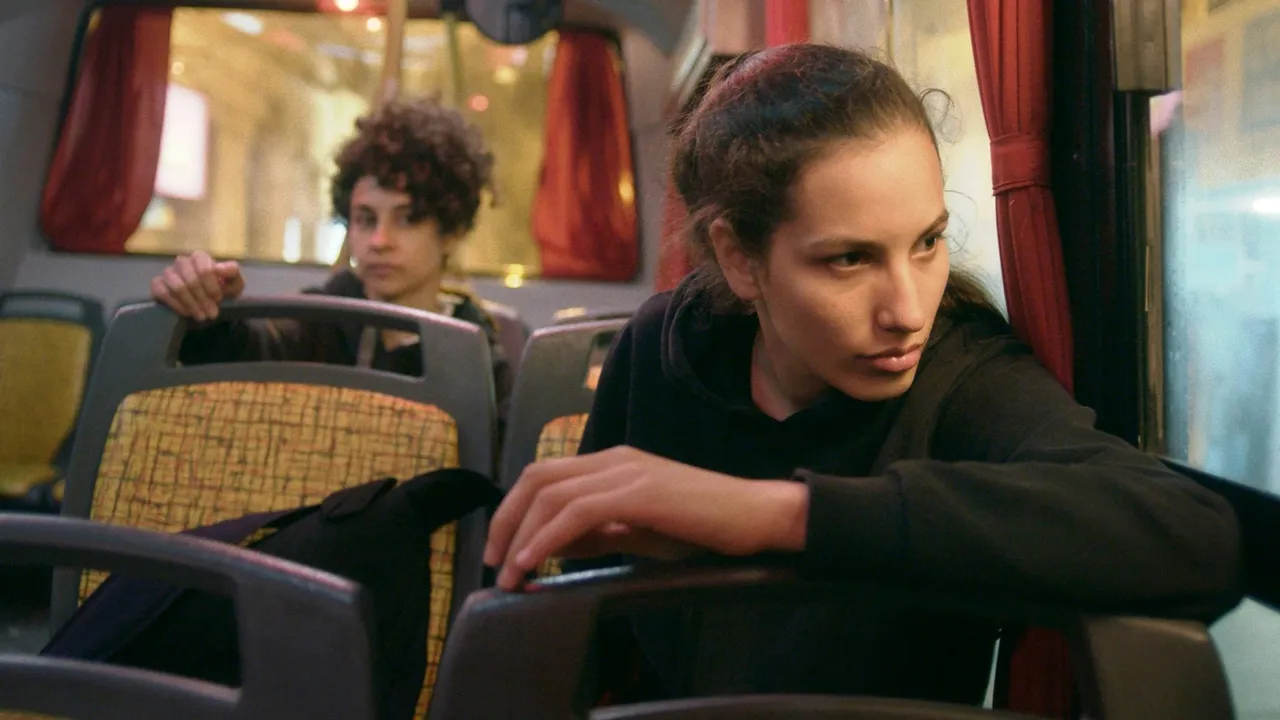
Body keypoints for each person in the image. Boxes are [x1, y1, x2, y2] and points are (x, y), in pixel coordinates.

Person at [483, 45, 1242, 704]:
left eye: (927, 242)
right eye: (850, 259)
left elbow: (1194, 535)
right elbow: (588, 644)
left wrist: (771, 515)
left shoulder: (963, 376)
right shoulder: (663, 350)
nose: (908, 310)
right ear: (741, 258)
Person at [150, 97, 514, 427]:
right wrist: (205, 311)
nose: (379, 241)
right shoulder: (322, 320)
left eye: (407, 219)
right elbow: (251, 348)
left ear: (451, 232)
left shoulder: (479, 360)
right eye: (365, 219)